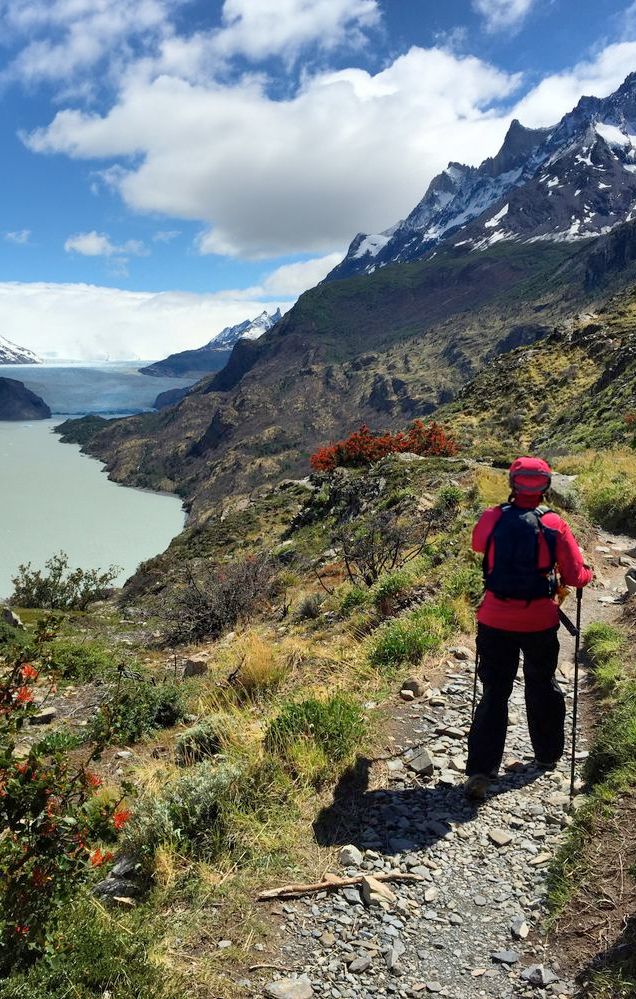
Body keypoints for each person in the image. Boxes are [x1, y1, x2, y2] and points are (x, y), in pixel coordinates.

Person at [465, 456, 593, 801]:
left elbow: (479, 546)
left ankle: (481, 768)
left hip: (494, 619)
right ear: (546, 486)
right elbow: (574, 575)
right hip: (539, 621)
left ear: (512, 483)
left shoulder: (492, 518)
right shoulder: (554, 524)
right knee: (542, 683)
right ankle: (548, 754)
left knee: (494, 690)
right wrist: (587, 575)